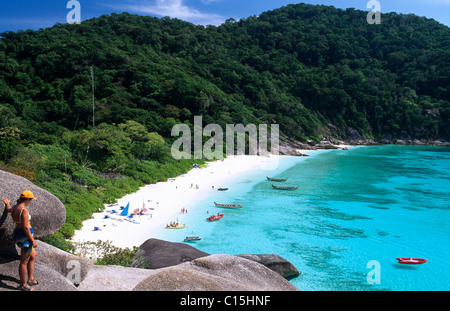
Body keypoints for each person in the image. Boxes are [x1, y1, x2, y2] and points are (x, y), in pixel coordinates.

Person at [2, 190, 39, 291]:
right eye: (30, 199)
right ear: (27, 199)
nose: (30, 201)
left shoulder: (14, 207)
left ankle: (30, 279)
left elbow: (9, 210)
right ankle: (23, 284)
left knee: (33, 255)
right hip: (25, 237)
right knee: (23, 262)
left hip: (19, 233)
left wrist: (7, 203)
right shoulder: (24, 210)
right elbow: (26, 227)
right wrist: (32, 241)